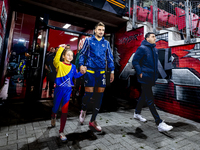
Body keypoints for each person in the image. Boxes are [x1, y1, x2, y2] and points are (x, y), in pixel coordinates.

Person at [132, 32, 173, 132]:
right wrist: (140, 72)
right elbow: (135, 61)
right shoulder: (142, 48)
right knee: (150, 100)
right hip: (145, 77)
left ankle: (137, 113)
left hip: (151, 77)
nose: (155, 38)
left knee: (143, 96)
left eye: (155, 36)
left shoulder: (155, 49)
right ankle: (159, 123)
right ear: (147, 39)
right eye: (153, 36)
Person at [78, 22, 115, 132]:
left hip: (102, 73)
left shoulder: (106, 43)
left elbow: (110, 58)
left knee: (99, 96)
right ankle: (83, 109)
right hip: (90, 71)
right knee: (88, 94)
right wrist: (81, 65)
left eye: (103, 30)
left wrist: (112, 71)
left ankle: (93, 120)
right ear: (95, 30)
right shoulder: (88, 41)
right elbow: (82, 54)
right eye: (99, 29)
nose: (101, 32)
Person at [51, 44, 85, 141]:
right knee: (56, 108)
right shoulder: (59, 64)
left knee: (64, 111)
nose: (70, 57)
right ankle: (53, 115)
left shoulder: (73, 66)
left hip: (68, 91)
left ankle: (61, 131)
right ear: (63, 56)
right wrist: (60, 48)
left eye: (72, 55)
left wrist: (82, 72)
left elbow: (76, 76)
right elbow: (55, 60)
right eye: (68, 55)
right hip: (59, 90)